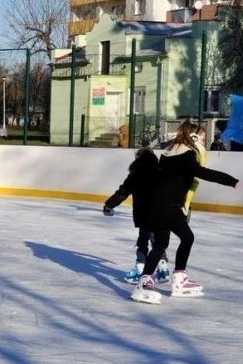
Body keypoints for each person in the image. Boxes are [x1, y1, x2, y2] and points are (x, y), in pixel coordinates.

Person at [131, 122, 239, 304]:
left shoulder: (169, 152)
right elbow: (204, 173)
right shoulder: (188, 155)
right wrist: (233, 182)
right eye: (203, 138)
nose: (204, 142)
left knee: (175, 240)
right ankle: (149, 281)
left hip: (163, 204)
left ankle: (169, 279)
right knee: (171, 241)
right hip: (166, 206)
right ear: (193, 137)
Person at [102, 142, 170, 284]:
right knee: (157, 241)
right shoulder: (161, 172)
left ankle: (140, 269)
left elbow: (123, 192)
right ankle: (163, 269)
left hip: (144, 214)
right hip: (162, 213)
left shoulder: (136, 174)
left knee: (143, 241)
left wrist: (109, 205)